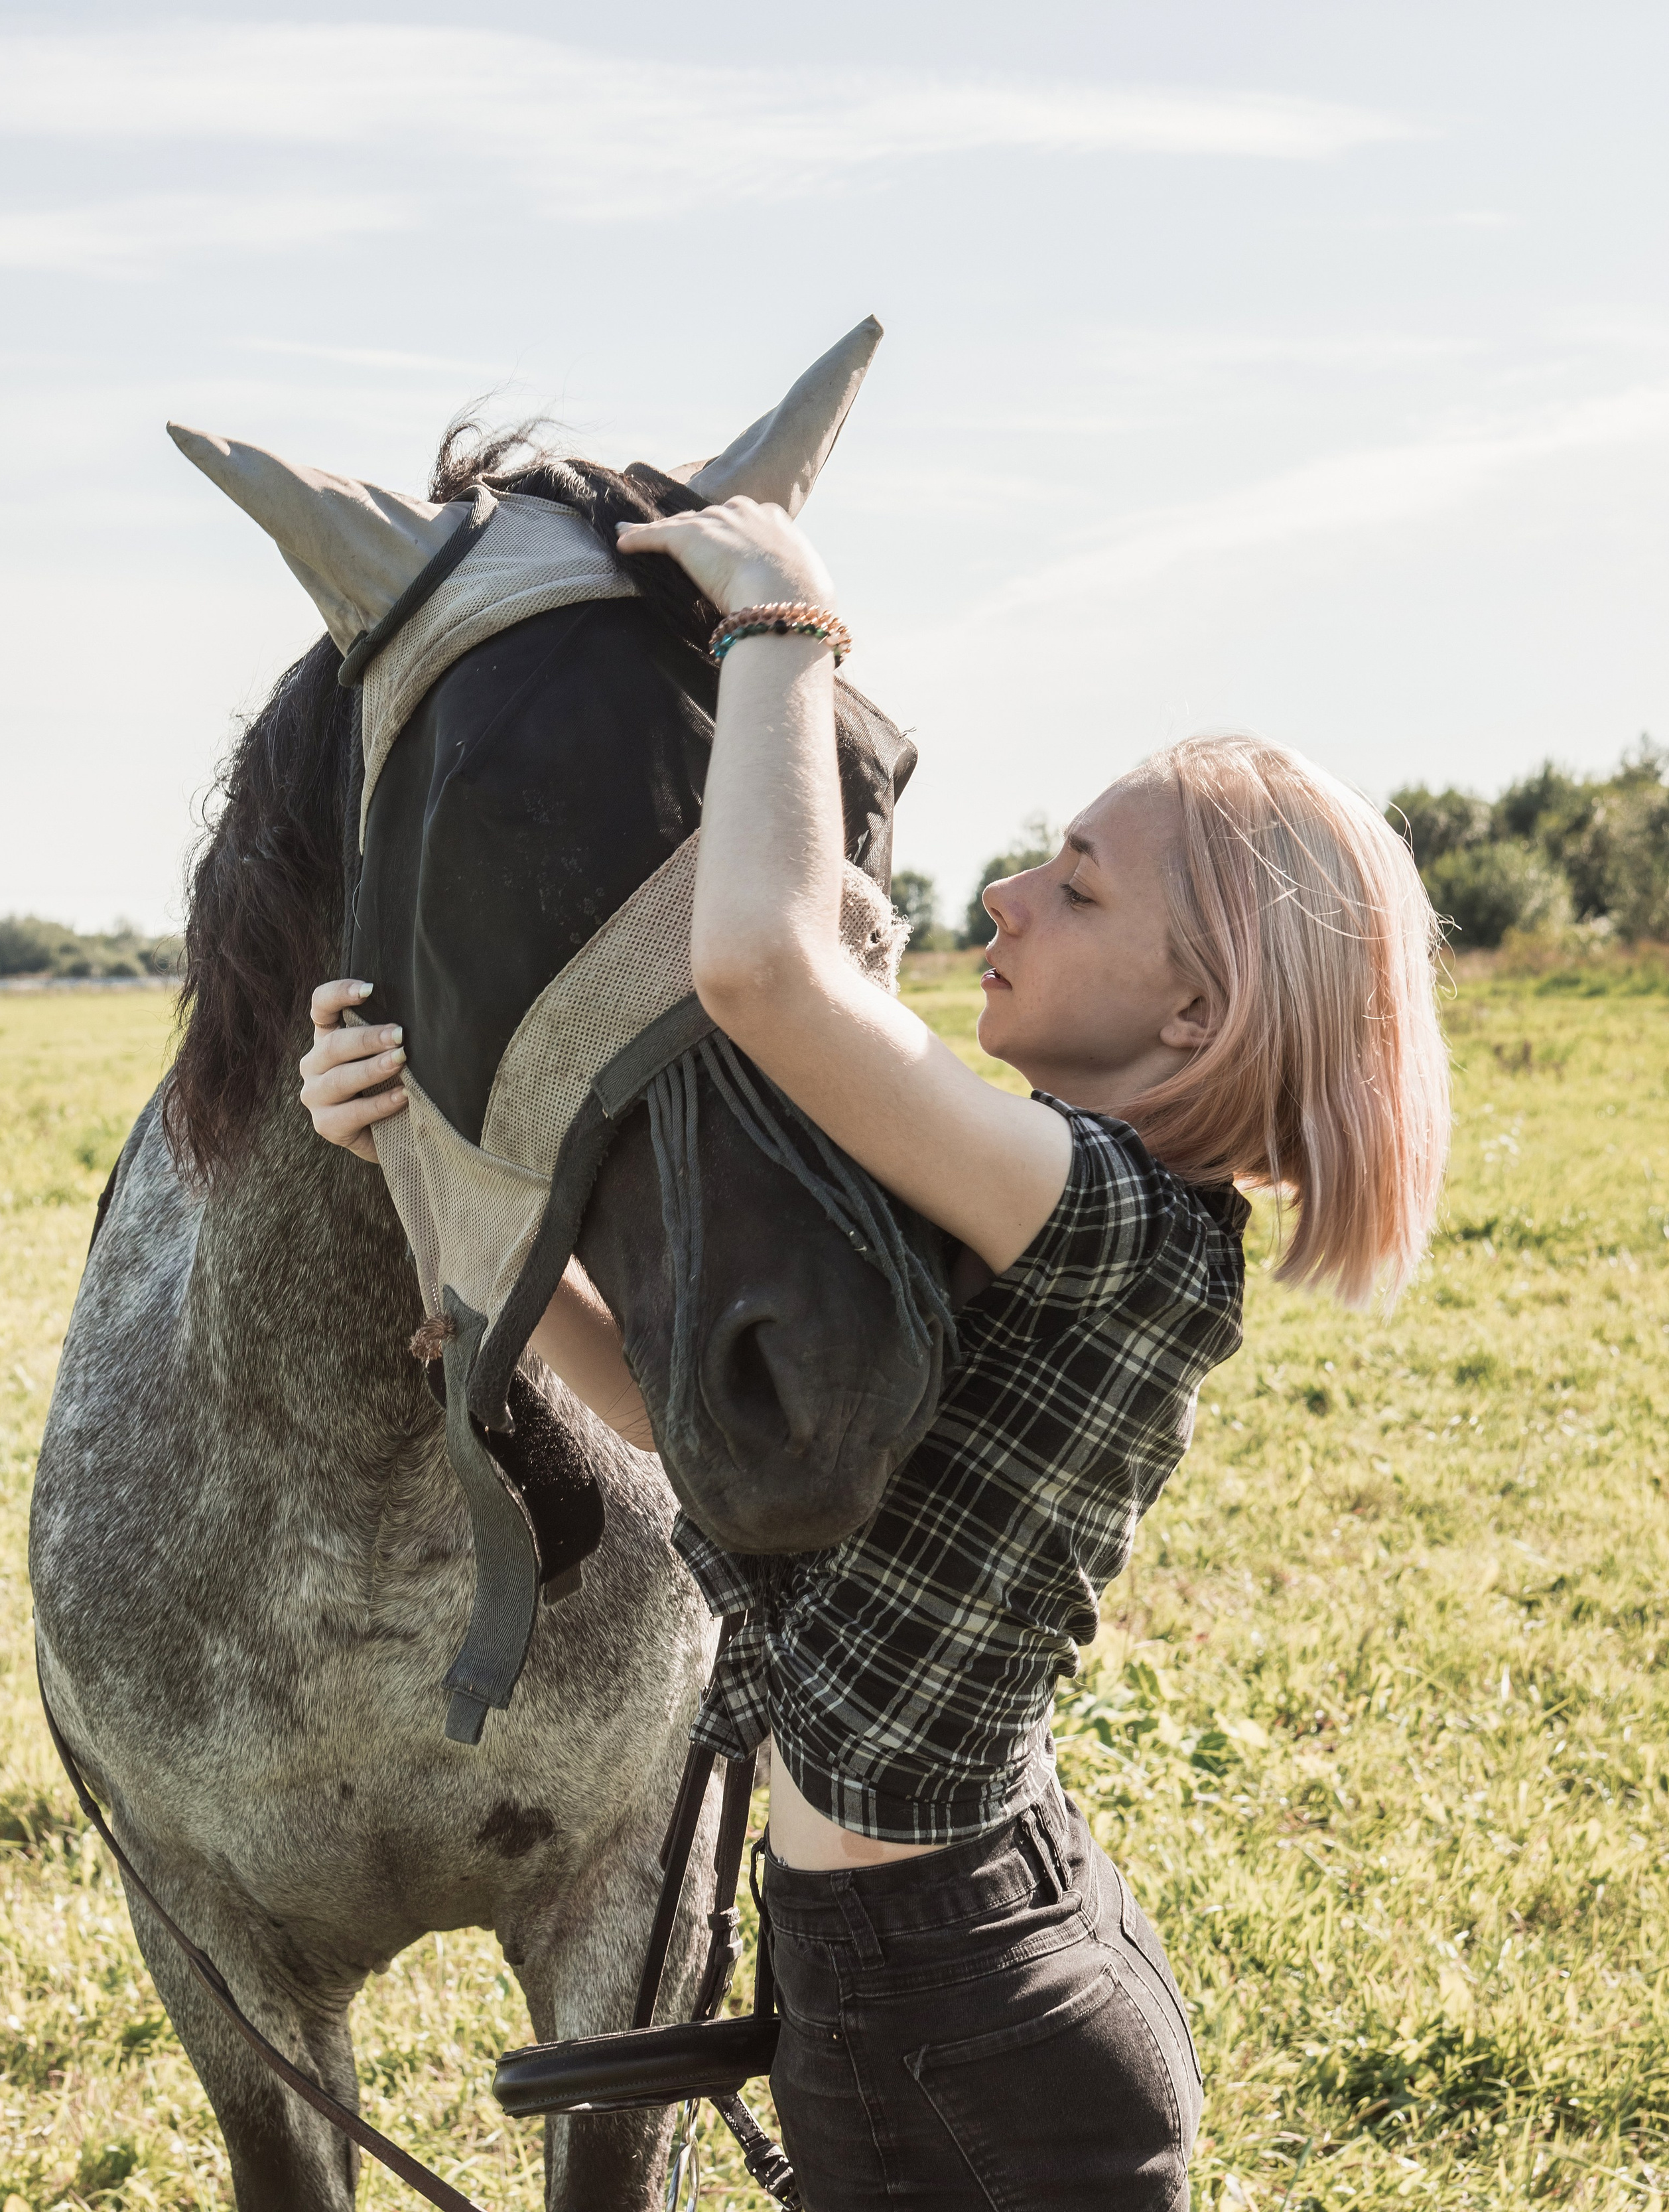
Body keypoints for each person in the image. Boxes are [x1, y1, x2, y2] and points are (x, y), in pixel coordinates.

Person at [299, 497, 1449, 2211]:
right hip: (927, 1965)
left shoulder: (1118, 1217)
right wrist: (412, 1168)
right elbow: (707, 1446)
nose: (1003, 893)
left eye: (1075, 885)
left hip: (956, 2004)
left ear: (1195, 1015)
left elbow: (761, 967)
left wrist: (785, 629)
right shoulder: (1027, 1207)